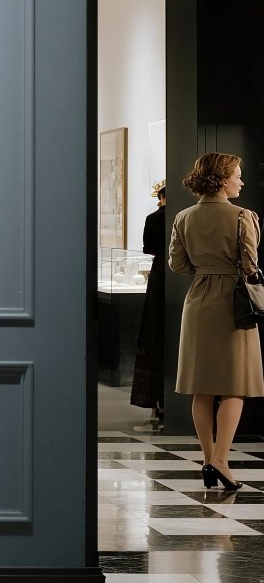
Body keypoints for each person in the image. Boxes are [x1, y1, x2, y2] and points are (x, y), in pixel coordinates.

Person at [169, 153, 264, 489]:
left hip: (197, 301)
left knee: (202, 386)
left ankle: (208, 460)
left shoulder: (183, 216)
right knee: (234, 385)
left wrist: (206, 271)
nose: (241, 181)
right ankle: (221, 460)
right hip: (233, 304)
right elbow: (250, 265)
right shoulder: (242, 216)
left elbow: (177, 264)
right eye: (238, 176)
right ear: (223, 180)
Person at [131, 181, 166, 429]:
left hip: (160, 275)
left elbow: (150, 249)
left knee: (154, 332)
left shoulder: (153, 218)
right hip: (178, 276)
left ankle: (156, 404)